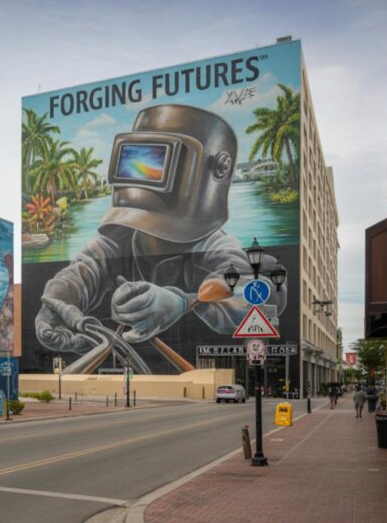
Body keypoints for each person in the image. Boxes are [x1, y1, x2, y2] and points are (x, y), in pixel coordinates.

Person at [35, 105, 287, 374]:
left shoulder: (217, 248)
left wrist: (182, 302)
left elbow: (254, 292)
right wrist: (56, 306)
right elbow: (81, 271)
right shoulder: (119, 238)